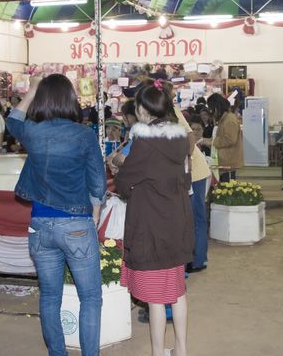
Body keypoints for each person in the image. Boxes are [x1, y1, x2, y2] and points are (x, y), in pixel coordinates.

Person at [6, 75, 106, 356]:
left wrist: (31, 91)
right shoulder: (84, 135)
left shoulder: (32, 132)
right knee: (90, 297)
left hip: (39, 225)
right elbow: (98, 183)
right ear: (70, 99)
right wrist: (95, 216)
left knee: (50, 296)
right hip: (76, 223)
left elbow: (12, 120)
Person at [115, 79, 193, 356]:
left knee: (156, 299)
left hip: (152, 225)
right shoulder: (181, 138)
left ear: (143, 110)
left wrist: (120, 168)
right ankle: (181, 349)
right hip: (177, 221)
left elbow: (124, 182)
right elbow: (185, 178)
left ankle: (158, 352)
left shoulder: (146, 141)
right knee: (177, 292)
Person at [203, 93, 243, 182]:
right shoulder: (224, 119)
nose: (211, 112)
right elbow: (220, 137)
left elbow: (229, 140)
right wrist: (205, 140)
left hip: (228, 163)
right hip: (224, 162)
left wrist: (212, 142)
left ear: (217, 107)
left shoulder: (229, 120)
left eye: (211, 109)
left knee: (227, 187)